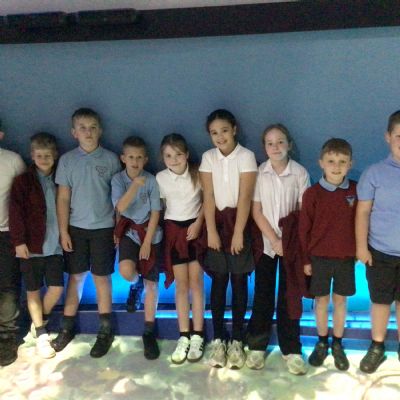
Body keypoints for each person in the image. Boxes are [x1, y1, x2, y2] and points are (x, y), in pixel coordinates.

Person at [52, 108, 120, 358]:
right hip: (76, 229)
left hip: (104, 228)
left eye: (92, 127)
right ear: (74, 132)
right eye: (82, 127)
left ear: (100, 130)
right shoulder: (67, 160)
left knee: (102, 278)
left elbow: (118, 199)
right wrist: (63, 231)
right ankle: (67, 327)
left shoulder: (111, 160)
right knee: (76, 277)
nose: (88, 132)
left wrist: (118, 228)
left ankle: (105, 330)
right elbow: (62, 198)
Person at [246, 124, 309, 374]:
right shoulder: (260, 174)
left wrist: (286, 241)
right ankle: (256, 346)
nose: (276, 147)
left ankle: (291, 348)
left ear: (289, 144)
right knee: (262, 294)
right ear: (264, 147)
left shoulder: (300, 174)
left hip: (292, 245)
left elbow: (303, 212)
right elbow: (256, 211)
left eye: (281, 142)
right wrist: (274, 239)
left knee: (289, 295)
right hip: (267, 244)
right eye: (270, 143)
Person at [199, 109, 257, 369]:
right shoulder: (208, 158)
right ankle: (218, 339)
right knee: (219, 281)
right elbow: (208, 196)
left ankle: (237, 340)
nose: (220, 136)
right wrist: (211, 230)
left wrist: (238, 233)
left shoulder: (246, 156)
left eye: (224, 130)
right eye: (214, 132)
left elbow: (245, 197)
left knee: (239, 281)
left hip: (239, 224)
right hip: (217, 224)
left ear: (234, 129)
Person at [299, 138, 356, 371]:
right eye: (331, 161)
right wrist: (306, 259)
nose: (336, 166)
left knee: (340, 301)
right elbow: (304, 229)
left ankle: (338, 343)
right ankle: (322, 342)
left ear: (350, 164)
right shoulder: (312, 194)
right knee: (321, 301)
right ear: (321, 163)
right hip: (319, 259)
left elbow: (362, 222)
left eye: (342, 161)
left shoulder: (355, 190)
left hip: (345, 259)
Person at [9, 132, 64, 359]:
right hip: (31, 247)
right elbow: (15, 214)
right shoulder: (23, 182)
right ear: (32, 155)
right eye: (39, 155)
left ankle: (40, 318)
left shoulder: (61, 177)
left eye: (47, 155)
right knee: (32, 290)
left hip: (55, 246)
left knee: (56, 288)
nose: (43, 159)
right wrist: (19, 241)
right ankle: (41, 333)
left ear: (55, 155)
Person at [356, 110, 400, 373]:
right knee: (380, 301)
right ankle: (377, 345)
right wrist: (361, 247)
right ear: (388, 137)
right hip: (380, 252)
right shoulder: (374, 173)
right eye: (399, 136)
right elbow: (362, 212)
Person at [112, 136, 162, 360]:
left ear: (146, 159)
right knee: (126, 271)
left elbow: (156, 212)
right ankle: (135, 284)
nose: (135, 161)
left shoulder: (151, 180)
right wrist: (134, 186)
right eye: (131, 157)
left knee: (153, 283)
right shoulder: (118, 180)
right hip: (129, 232)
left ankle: (148, 331)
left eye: (139, 157)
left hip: (150, 233)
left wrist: (148, 241)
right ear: (123, 158)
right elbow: (120, 207)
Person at [156, 133, 205, 364]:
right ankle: (184, 335)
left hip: (195, 231)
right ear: (162, 158)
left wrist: (198, 224)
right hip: (174, 233)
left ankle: (198, 335)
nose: (173, 159)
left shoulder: (197, 174)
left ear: (186, 155)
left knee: (196, 283)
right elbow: (163, 206)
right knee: (181, 285)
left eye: (178, 154)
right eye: (168, 155)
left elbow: (207, 201)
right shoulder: (160, 178)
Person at [0, 126, 25, 366]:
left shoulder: (13, 160)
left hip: (7, 233)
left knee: (8, 286)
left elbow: (25, 197)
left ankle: (7, 336)